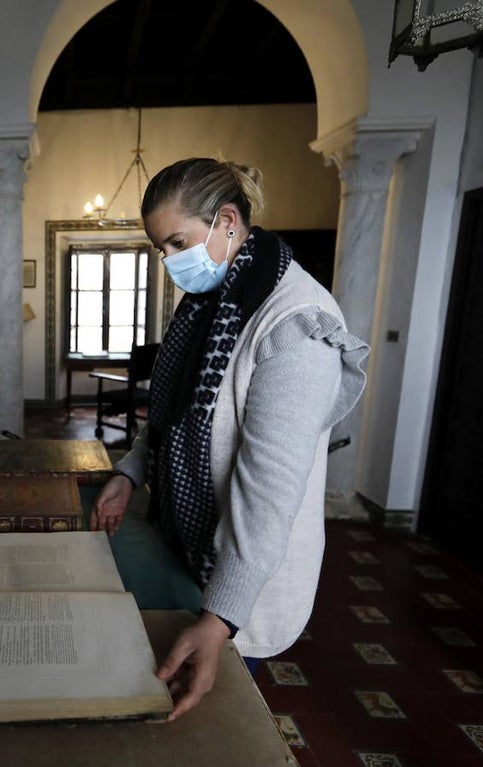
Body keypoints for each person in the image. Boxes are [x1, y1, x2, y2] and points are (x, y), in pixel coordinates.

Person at [92, 157, 368, 721]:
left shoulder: (296, 324)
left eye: (175, 242)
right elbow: (171, 415)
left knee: (219, 717)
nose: (168, 261)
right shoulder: (209, 302)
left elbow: (268, 493)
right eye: (158, 249)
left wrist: (218, 620)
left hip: (244, 581)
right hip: (186, 550)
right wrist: (129, 472)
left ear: (227, 221)